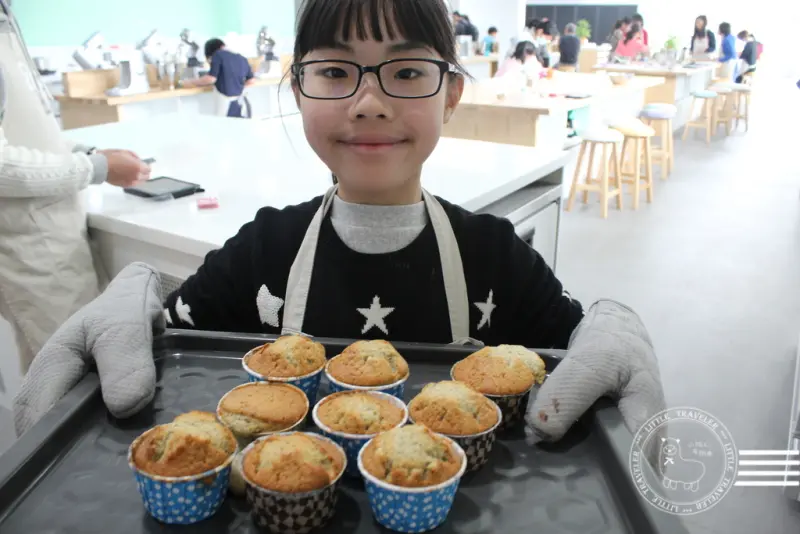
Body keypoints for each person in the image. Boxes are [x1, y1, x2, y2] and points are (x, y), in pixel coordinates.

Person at [14, 0, 665, 451]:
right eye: (333, 71)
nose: (370, 102)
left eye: (408, 72)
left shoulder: (498, 258)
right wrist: (140, 294)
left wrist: (611, 327)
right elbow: (174, 345)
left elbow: (574, 355)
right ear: (297, 92)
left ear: (453, 94)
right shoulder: (261, 251)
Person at [0, 1, 151, 374]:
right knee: (61, 374)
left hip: (56, 234)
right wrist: (97, 167)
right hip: (29, 246)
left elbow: (28, 132)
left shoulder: (7, 23)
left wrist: (88, 151)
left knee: (79, 360)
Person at [181, 38, 256, 118]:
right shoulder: (241, 58)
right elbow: (251, 80)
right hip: (241, 103)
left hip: (226, 104)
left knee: (222, 127)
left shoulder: (218, 54)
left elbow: (211, 79)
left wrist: (190, 82)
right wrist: (236, 86)